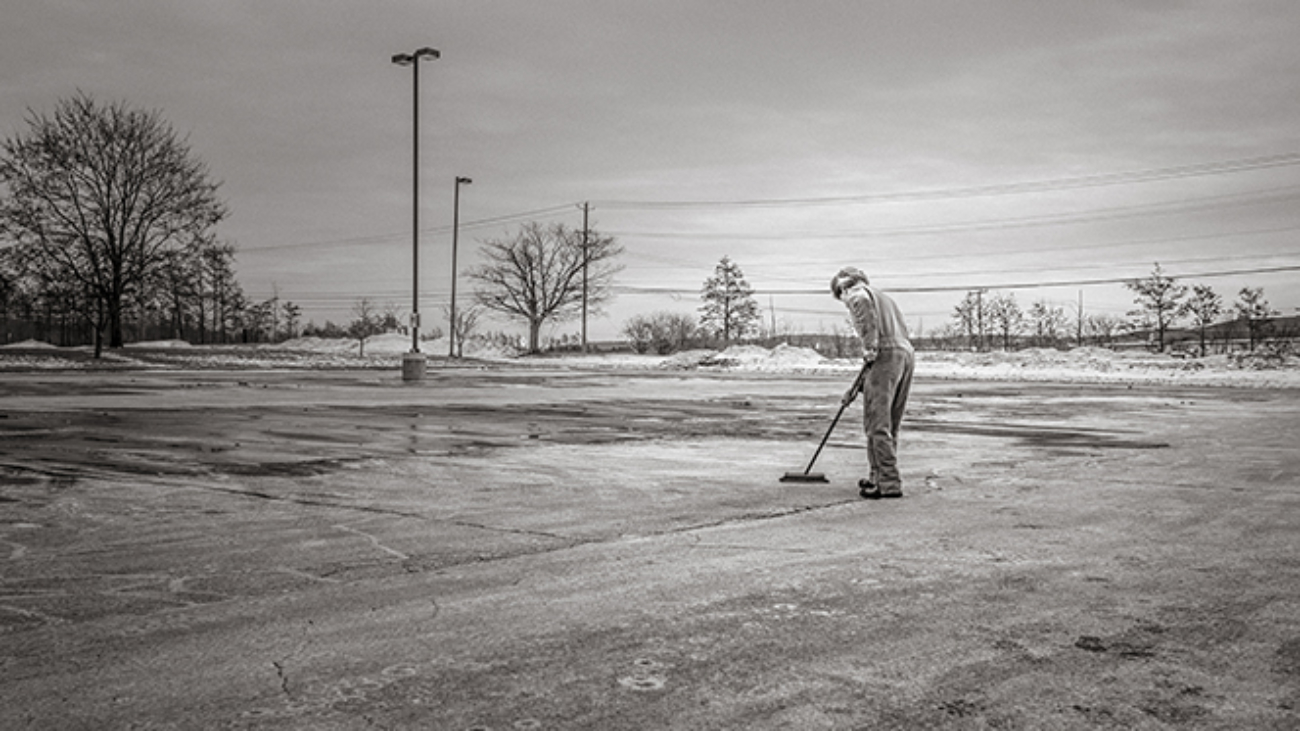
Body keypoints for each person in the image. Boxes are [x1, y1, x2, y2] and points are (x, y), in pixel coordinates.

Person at [830, 266, 915, 499]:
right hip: (904, 353)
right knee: (889, 422)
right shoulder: (884, 298)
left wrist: (869, 348)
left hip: (886, 353)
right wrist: (856, 388)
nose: (844, 300)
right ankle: (877, 475)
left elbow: (870, 329)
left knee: (876, 423)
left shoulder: (858, 295)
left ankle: (887, 483)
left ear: (843, 287)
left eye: (840, 296)